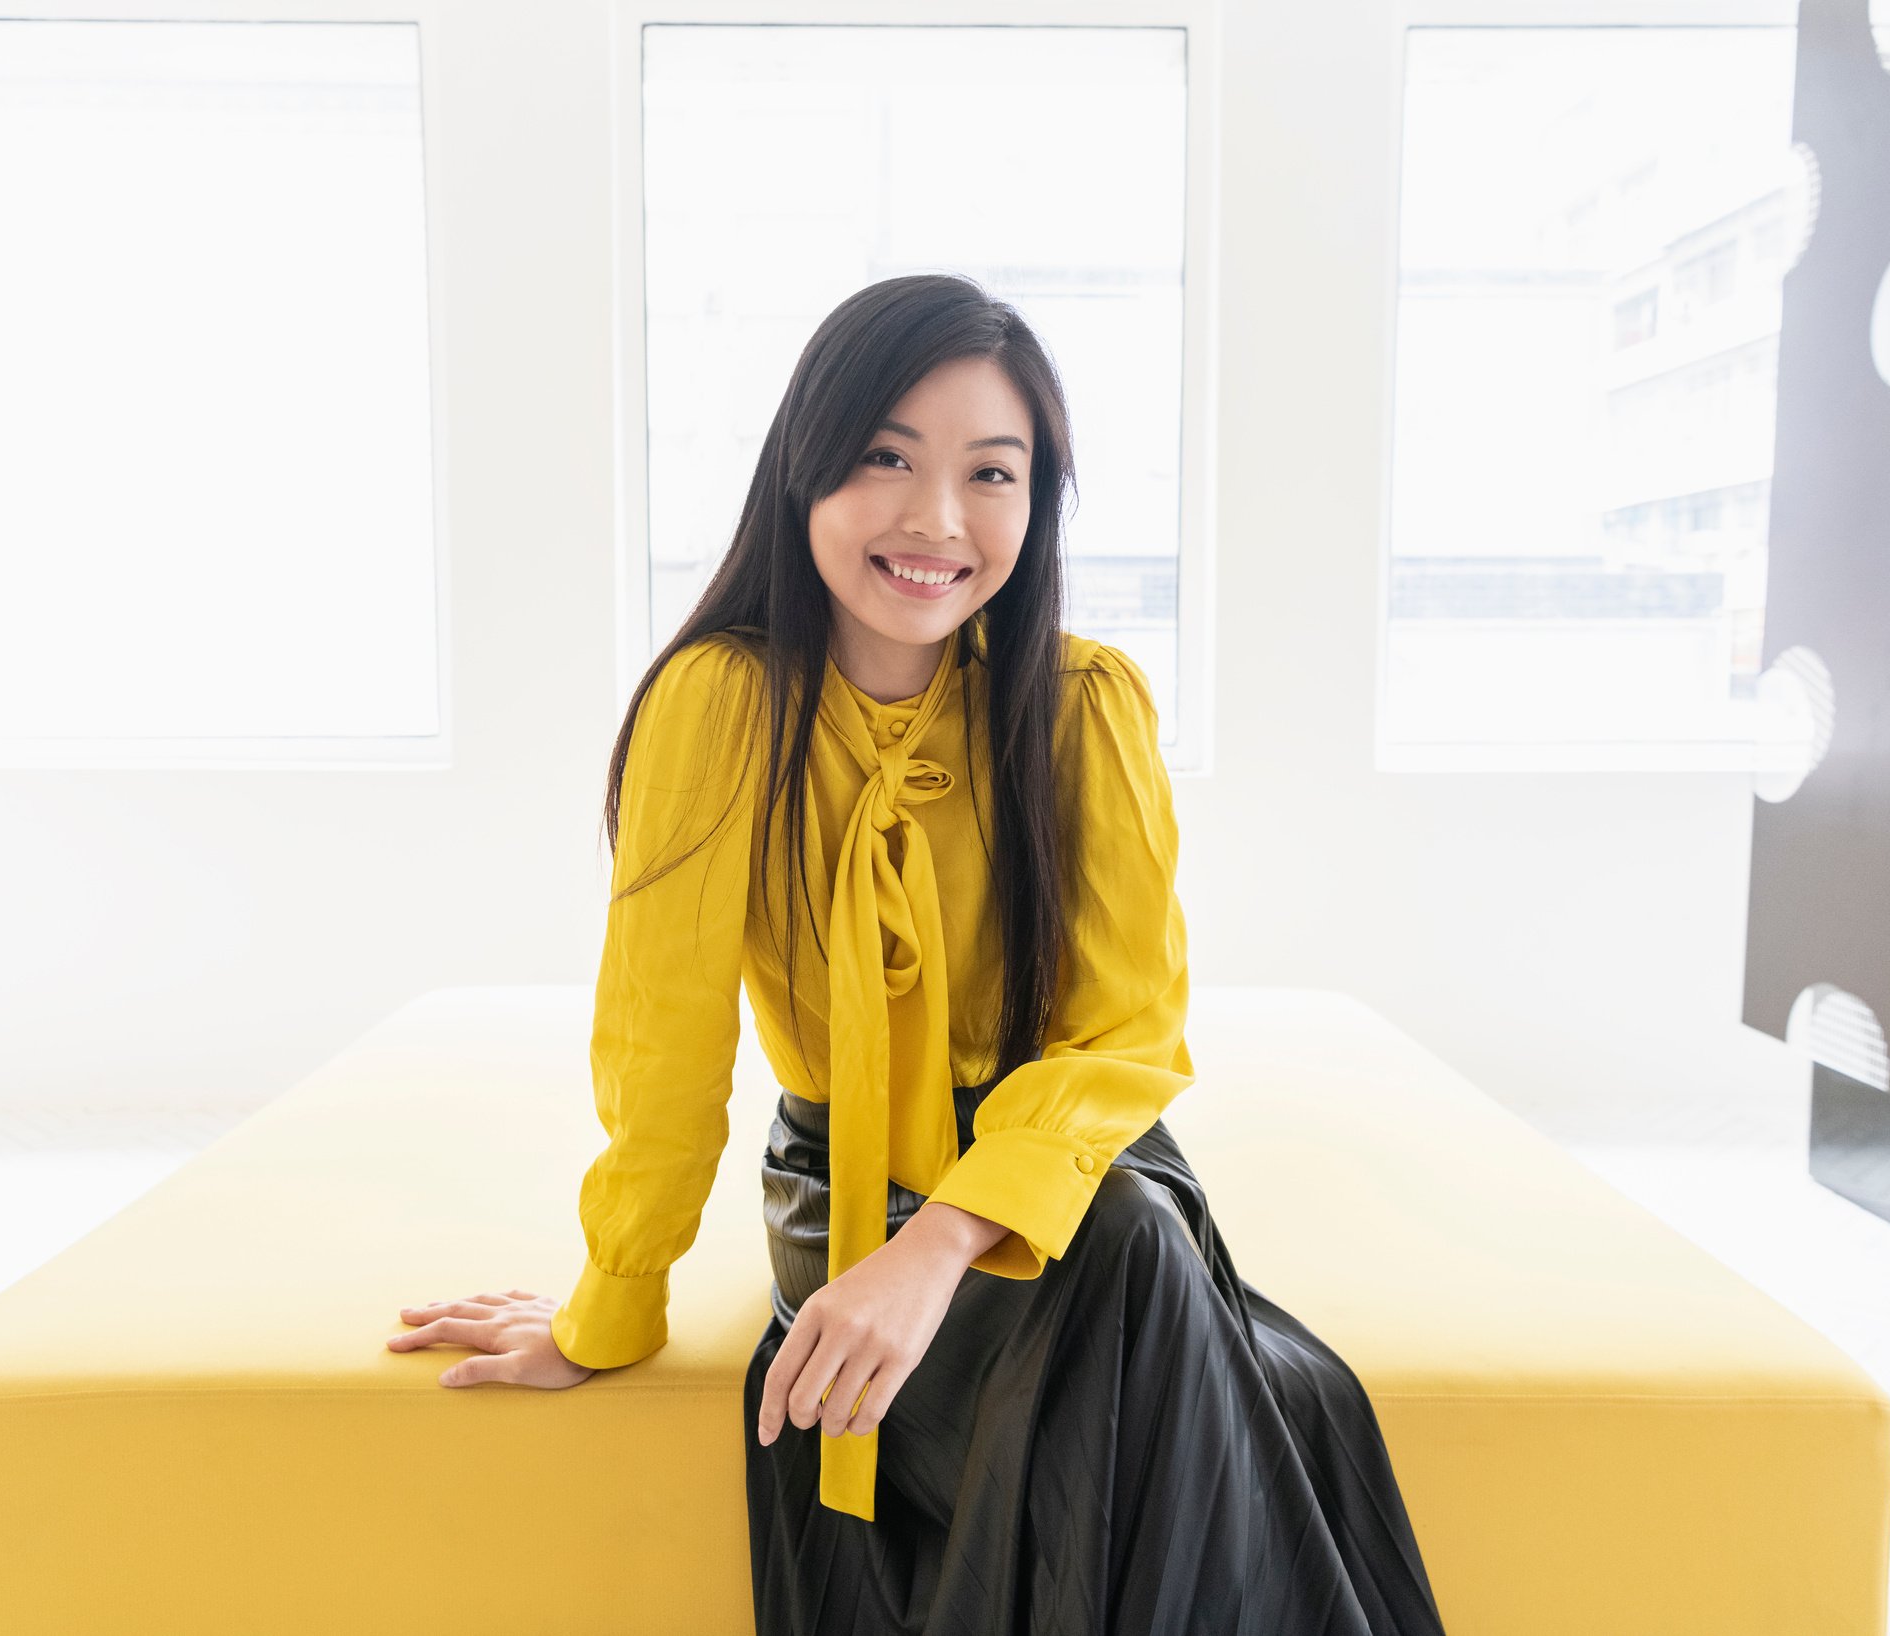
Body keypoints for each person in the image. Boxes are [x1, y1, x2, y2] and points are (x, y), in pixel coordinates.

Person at [385, 273, 1449, 1635]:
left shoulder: (1084, 706)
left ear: (1035, 503)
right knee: (1136, 1289)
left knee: (1126, 1234)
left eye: (990, 473)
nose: (937, 518)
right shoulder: (718, 706)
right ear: (806, 469)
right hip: (848, 1184)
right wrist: (609, 1308)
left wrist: (943, 1245)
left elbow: (1127, 1035)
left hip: (1063, 1177)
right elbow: (665, 1047)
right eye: (887, 457)